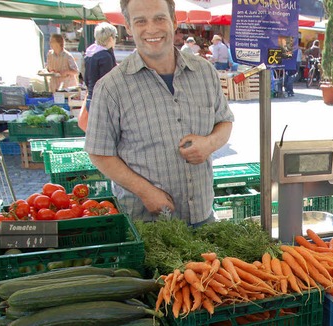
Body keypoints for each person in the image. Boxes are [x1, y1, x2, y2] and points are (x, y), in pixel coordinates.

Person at [84, 0, 234, 226]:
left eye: (159, 18)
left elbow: (225, 122)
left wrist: (209, 143)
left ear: (174, 21)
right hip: (148, 226)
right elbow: (99, 152)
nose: (151, 29)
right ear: (128, 26)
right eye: (141, 21)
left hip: (203, 217)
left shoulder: (204, 72)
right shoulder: (111, 88)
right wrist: (144, 191)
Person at [84, 23, 117, 111]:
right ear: (110, 38)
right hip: (102, 102)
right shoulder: (105, 56)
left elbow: (86, 79)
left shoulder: (90, 54)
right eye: (115, 37)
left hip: (90, 98)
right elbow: (109, 83)